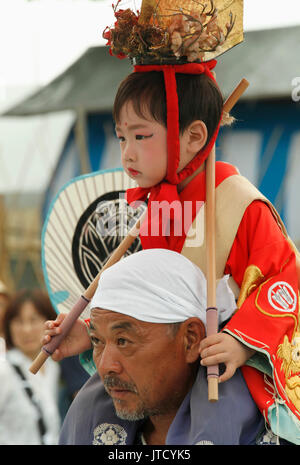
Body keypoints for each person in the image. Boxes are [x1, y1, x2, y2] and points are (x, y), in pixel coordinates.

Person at [43, 0, 300, 443]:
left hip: (218, 359)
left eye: (141, 137)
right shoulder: (155, 205)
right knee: (86, 411)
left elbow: (286, 282)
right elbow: (139, 304)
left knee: (217, 425)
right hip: (155, 361)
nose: (126, 153)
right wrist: (91, 332)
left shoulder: (240, 205)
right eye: (121, 137)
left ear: (195, 135)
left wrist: (240, 342)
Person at [58, 249, 269, 445]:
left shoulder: (265, 432)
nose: (105, 367)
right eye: (96, 340)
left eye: (123, 341)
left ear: (191, 339)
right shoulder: (85, 424)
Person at [0, 289, 61, 445]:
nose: (26, 329)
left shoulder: (53, 367)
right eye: (19, 322)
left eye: (34, 320)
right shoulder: (4, 370)